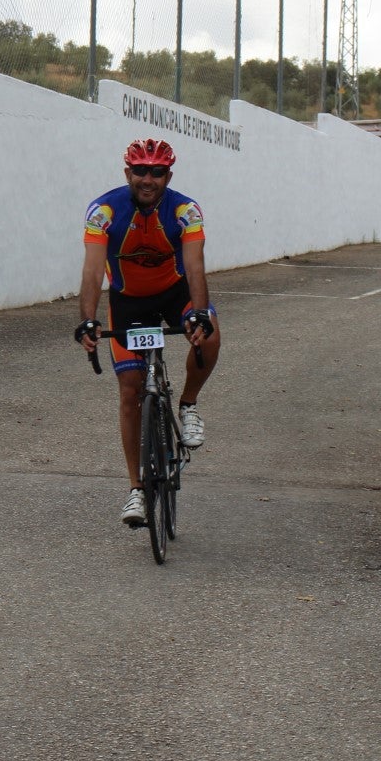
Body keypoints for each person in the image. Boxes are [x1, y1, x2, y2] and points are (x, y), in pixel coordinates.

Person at [74, 138, 222, 527]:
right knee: (130, 391)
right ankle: (137, 489)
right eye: (140, 170)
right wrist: (88, 319)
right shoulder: (104, 212)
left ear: (168, 176)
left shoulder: (185, 211)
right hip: (129, 302)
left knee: (210, 332)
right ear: (128, 173)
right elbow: (92, 270)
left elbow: (195, 266)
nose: (148, 179)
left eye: (157, 172)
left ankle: (188, 405)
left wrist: (199, 313)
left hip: (175, 294)